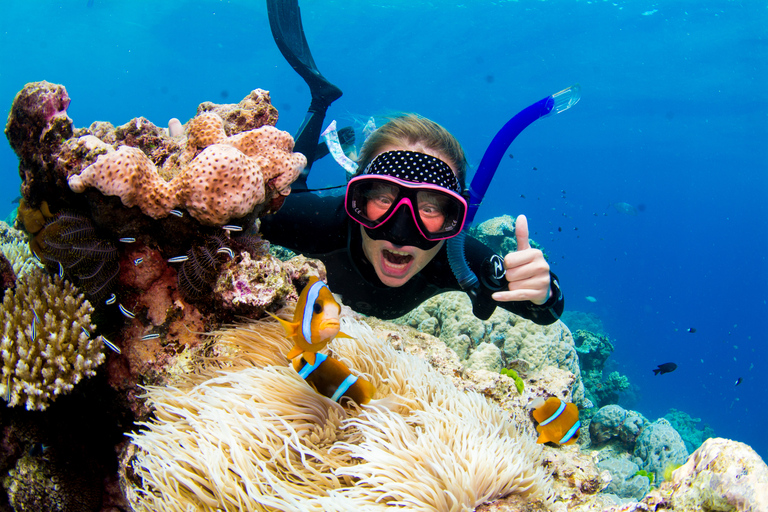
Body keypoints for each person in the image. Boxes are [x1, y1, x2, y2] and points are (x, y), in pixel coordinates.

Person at [262, 0, 563, 324]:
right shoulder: (323, 223)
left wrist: (542, 291)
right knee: (293, 187)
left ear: (455, 218)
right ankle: (319, 100)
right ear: (356, 196)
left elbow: (544, 311)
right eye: (382, 198)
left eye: (431, 208)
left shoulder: (455, 256)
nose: (400, 232)